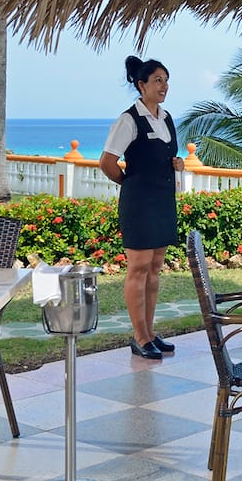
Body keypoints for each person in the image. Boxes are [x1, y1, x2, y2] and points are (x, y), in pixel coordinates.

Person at [100, 55, 184, 359]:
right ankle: (139, 337)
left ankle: (150, 332)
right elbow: (107, 163)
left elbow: (164, 155)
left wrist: (178, 163)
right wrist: (130, 183)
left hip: (162, 201)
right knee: (138, 268)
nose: (164, 86)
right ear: (141, 85)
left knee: (154, 269)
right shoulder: (129, 119)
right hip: (139, 203)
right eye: (157, 80)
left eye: (166, 80)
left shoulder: (166, 118)